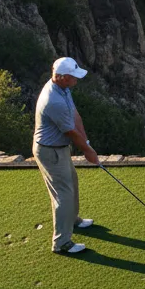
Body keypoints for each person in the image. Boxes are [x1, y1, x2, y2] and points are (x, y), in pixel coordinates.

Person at [33, 56, 100, 255]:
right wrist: (89, 153)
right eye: (73, 77)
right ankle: (61, 242)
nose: (76, 80)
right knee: (63, 194)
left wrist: (87, 144)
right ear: (61, 77)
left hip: (59, 148)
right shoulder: (53, 101)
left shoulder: (63, 88)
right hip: (49, 151)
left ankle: (73, 220)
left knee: (72, 181)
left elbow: (76, 116)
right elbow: (70, 132)